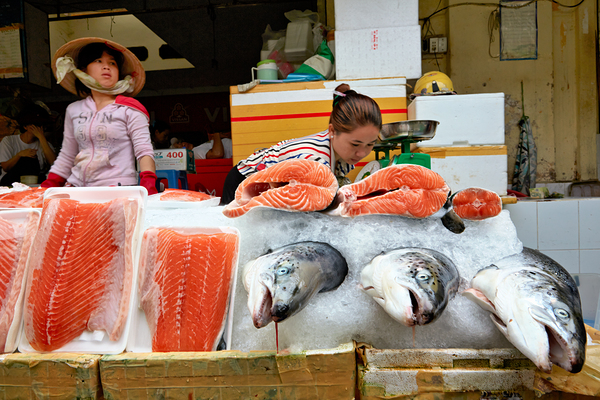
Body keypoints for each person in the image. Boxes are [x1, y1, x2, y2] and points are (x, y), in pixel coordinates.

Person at [220, 83, 382, 204]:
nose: (362, 153)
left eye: (370, 144)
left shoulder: (341, 153)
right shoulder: (314, 160)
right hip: (245, 180)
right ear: (332, 131)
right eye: (355, 144)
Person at [41, 37, 157, 194]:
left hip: (117, 189)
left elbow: (144, 151)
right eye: (98, 61)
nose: (106, 67)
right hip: (77, 190)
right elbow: (68, 155)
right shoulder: (74, 110)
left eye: (112, 63)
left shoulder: (130, 109)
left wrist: (148, 181)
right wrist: (50, 183)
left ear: (119, 73)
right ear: (83, 71)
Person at [0, 102, 56, 186]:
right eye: (35, 125)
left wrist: (41, 138)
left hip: (34, 185)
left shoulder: (44, 144)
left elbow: (54, 163)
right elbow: (5, 167)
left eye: (41, 125)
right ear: (25, 126)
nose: (39, 128)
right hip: (11, 184)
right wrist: (19, 155)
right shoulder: (9, 141)